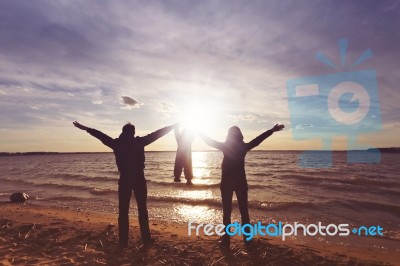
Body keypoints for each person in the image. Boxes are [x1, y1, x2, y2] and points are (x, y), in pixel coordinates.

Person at [73, 121, 176, 248]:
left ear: (122, 132)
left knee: (123, 211)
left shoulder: (117, 143)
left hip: (125, 179)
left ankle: (123, 241)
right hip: (138, 178)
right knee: (142, 210)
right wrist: (172, 127)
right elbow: (157, 134)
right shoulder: (138, 142)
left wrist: (86, 128)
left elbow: (100, 135)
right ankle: (146, 239)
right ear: (133, 132)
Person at [199, 124, 284, 248]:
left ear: (229, 136)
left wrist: (197, 131)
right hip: (240, 183)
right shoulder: (243, 147)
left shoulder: (225, 146)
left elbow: (209, 142)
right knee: (244, 212)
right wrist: (271, 130)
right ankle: (247, 240)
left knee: (227, 212)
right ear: (240, 135)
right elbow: (257, 140)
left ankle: (226, 240)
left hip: (227, 183)